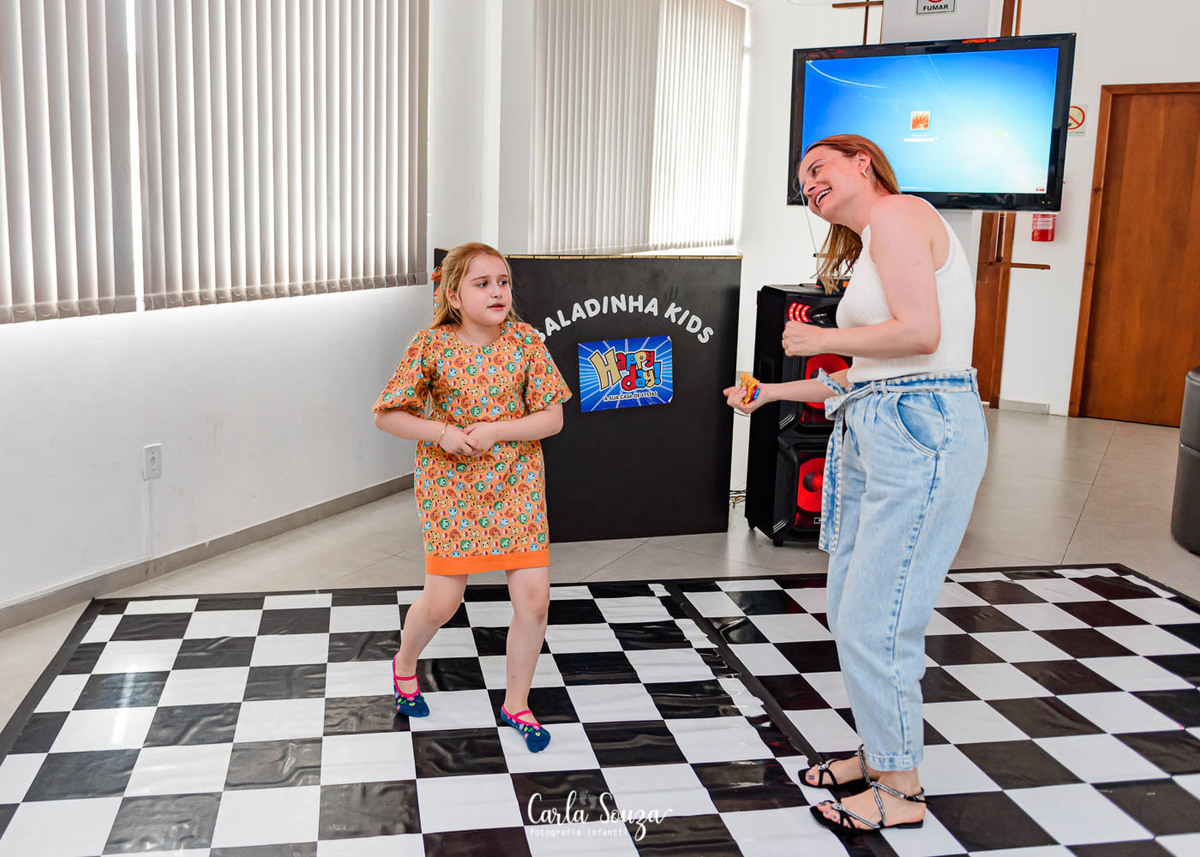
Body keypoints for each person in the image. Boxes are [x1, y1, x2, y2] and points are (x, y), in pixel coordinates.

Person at [725, 135, 988, 834]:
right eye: (802, 180)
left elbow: (921, 335)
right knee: (852, 608)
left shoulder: (899, 213)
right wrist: (772, 392)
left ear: (862, 163)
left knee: (878, 618)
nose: (809, 185)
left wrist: (820, 340)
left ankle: (900, 789)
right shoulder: (876, 240)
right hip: (882, 421)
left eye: (818, 168)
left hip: (920, 426)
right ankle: (879, 752)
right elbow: (867, 374)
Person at [373, 242, 571, 753]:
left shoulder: (526, 342)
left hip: (516, 486)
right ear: (454, 296)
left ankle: (517, 704)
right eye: (482, 284)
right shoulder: (430, 346)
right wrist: (440, 433)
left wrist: (498, 430)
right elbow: (388, 414)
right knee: (443, 602)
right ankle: (404, 664)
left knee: (535, 601)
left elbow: (552, 418)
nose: (497, 292)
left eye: (503, 282)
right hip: (451, 489)